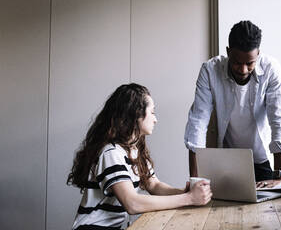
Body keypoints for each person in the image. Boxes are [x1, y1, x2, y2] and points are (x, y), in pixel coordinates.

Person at [67, 83, 212, 230]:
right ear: (136, 114)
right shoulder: (111, 153)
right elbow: (132, 203)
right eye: (153, 112)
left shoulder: (134, 151)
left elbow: (154, 185)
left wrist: (184, 192)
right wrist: (188, 199)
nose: (156, 120)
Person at [184, 20, 281, 188]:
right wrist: (195, 181)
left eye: (250, 63)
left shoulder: (271, 69)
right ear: (228, 52)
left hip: (262, 160)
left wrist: (280, 177)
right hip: (227, 161)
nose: (243, 70)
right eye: (237, 62)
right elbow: (197, 123)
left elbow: (279, 120)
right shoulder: (210, 70)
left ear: (258, 54)